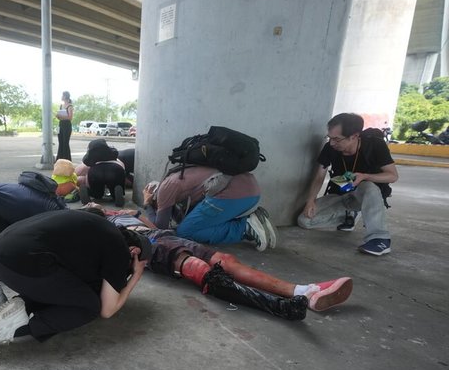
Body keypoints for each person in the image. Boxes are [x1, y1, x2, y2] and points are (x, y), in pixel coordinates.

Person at [84, 202, 352, 319]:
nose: (93, 206)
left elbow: (153, 223)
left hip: (161, 235)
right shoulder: (99, 225)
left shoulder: (121, 213)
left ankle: (305, 292)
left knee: (225, 260)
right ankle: (281, 305)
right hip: (150, 246)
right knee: (200, 270)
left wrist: (135, 210)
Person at [0, 210, 151, 351]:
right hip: (22, 262)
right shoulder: (119, 250)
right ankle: (12, 328)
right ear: (134, 251)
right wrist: (136, 275)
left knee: (72, 291)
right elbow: (107, 310)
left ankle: (0, 305)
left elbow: (72, 284)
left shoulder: (100, 228)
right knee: (88, 307)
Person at [298, 113, 399, 256]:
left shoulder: (375, 145)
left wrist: (365, 176)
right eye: (330, 138)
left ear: (354, 136)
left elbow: (393, 175)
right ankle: (348, 217)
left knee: (368, 186)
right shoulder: (330, 148)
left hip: (366, 196)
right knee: (304, 221)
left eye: (337, 139)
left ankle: (379, 238)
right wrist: (310, 201)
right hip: (343, 195)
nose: (332, 143)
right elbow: (319, 176)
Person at [145, 164, 275, 251]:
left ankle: (244, 227)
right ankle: (250, 221)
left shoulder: (164, 190)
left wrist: (147, 204)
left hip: (233, 194)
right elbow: (187, 220)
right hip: (251, 192)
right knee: (189, 225)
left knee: (184, 232)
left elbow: (160, 228)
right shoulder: (177, 178)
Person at [77, 138, 127, 207]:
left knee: (97, 194)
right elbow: (123, 167)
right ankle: (117, 193)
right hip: (115, 169)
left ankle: (88, 191)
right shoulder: (114, 156)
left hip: (95, 172)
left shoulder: (91, 160)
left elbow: (81, 169)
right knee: (115, 186)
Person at [56, 91, 73, 161]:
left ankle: (66, 160)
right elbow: (60, 117)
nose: (61, 97)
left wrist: (62, 117)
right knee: (60, 142)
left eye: (62, 95)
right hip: (60, 125)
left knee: (65, 143)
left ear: (65, 96)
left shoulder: (70, 106)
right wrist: (58, 116)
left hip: (67, 126)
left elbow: (70, 117)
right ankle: (59, 160)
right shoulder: (61, 106)